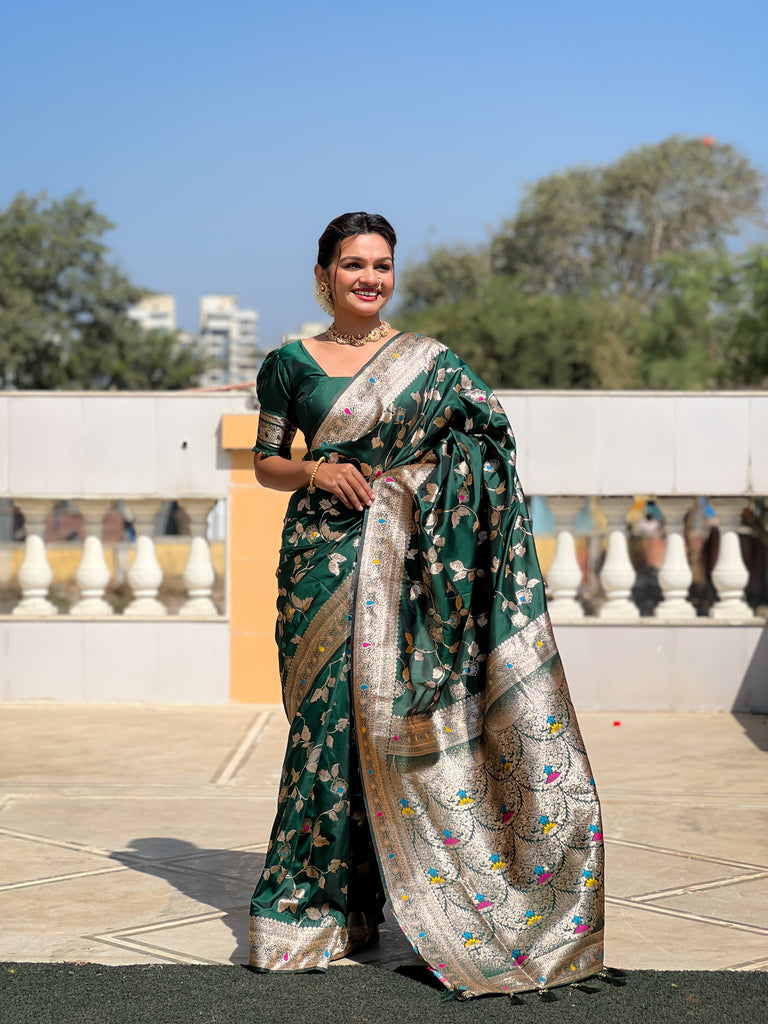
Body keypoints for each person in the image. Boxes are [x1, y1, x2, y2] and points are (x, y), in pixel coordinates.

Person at [249, 212, 604, 998]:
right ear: (324, 277)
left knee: (388, 723)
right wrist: (314, 472)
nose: (368, 278)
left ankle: (379, 898)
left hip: (409, 561)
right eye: (352, 265)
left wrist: (412, 485)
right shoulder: (288, 363)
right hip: (319, 560)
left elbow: (490, 443)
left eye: (380, 265)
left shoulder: (431, 364)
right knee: (321, 731)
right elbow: (267, 461)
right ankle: (311, 907)